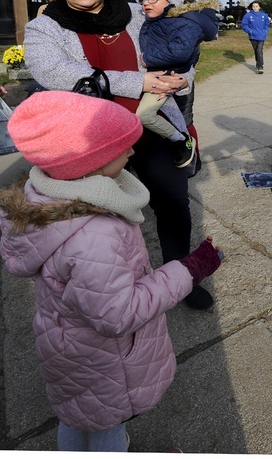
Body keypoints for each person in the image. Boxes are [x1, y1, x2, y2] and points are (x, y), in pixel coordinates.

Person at [0, 91, 223, 451]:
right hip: (106, 359)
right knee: (107, 422)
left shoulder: (45, 195)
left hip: (66, 345)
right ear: (91, 162)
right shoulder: (96, 232)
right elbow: (118, 314)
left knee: (75, 413)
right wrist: (190, 269)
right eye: (123, 149)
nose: (132, 153)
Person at [23, 0, 213, 310]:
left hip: (152, 129)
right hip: (92, 139)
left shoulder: (139, 14)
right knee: (100, 217)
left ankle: (182, 278)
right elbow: (61, 76)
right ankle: (118, 289)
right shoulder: (43, 28)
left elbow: (185, 50)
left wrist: (179, 79)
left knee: (174, 204)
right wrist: (141, 81)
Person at [136, 0, 218, 168]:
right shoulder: (160, 19)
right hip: (158, 76)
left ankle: (180, 140)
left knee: (145, 115)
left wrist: (148, 57)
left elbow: (181, 52)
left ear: (171, 0)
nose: (145, 3)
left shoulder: (182, 23)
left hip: (165, 79)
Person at [241, 0, 270, 74]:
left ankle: (260, 67)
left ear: (259, 7)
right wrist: (250, 31)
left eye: (256, 6)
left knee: (259, 50)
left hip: (261, 36)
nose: (255, 8)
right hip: (253, 36)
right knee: (256, 50)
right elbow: (244, 25)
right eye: (253, 6)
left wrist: (265, 31)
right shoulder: (248, 15)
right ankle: (258, 64)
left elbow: (267, 24)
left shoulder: (264, 15)